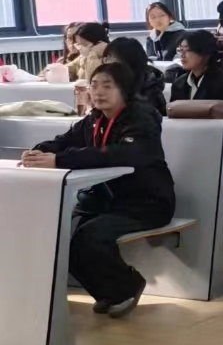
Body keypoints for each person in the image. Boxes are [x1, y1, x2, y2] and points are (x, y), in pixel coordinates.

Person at [22, 62, 174, 317]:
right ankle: (107, 292)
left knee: (90, 238)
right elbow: (63, 142)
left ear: (124, 89)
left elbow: (119, 154)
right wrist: (39, 151)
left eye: (107, 86)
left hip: (146, 203)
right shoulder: (93, 120)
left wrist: (60, 160)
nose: (99, 92)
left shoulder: (141, 119)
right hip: (105, 201)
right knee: (62, 234)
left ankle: (128, 286)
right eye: (94, 85)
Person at [170, 30, 223, 102]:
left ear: (205, 53)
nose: (182, 55)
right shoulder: (179, 83)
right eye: (180, 50)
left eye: (188, 50)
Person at [103, 37, 168, 115]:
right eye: (105, 58)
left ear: (128, 61)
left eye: (110, 58)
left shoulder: (149, 89)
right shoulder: (114, 84)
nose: (105, 63)